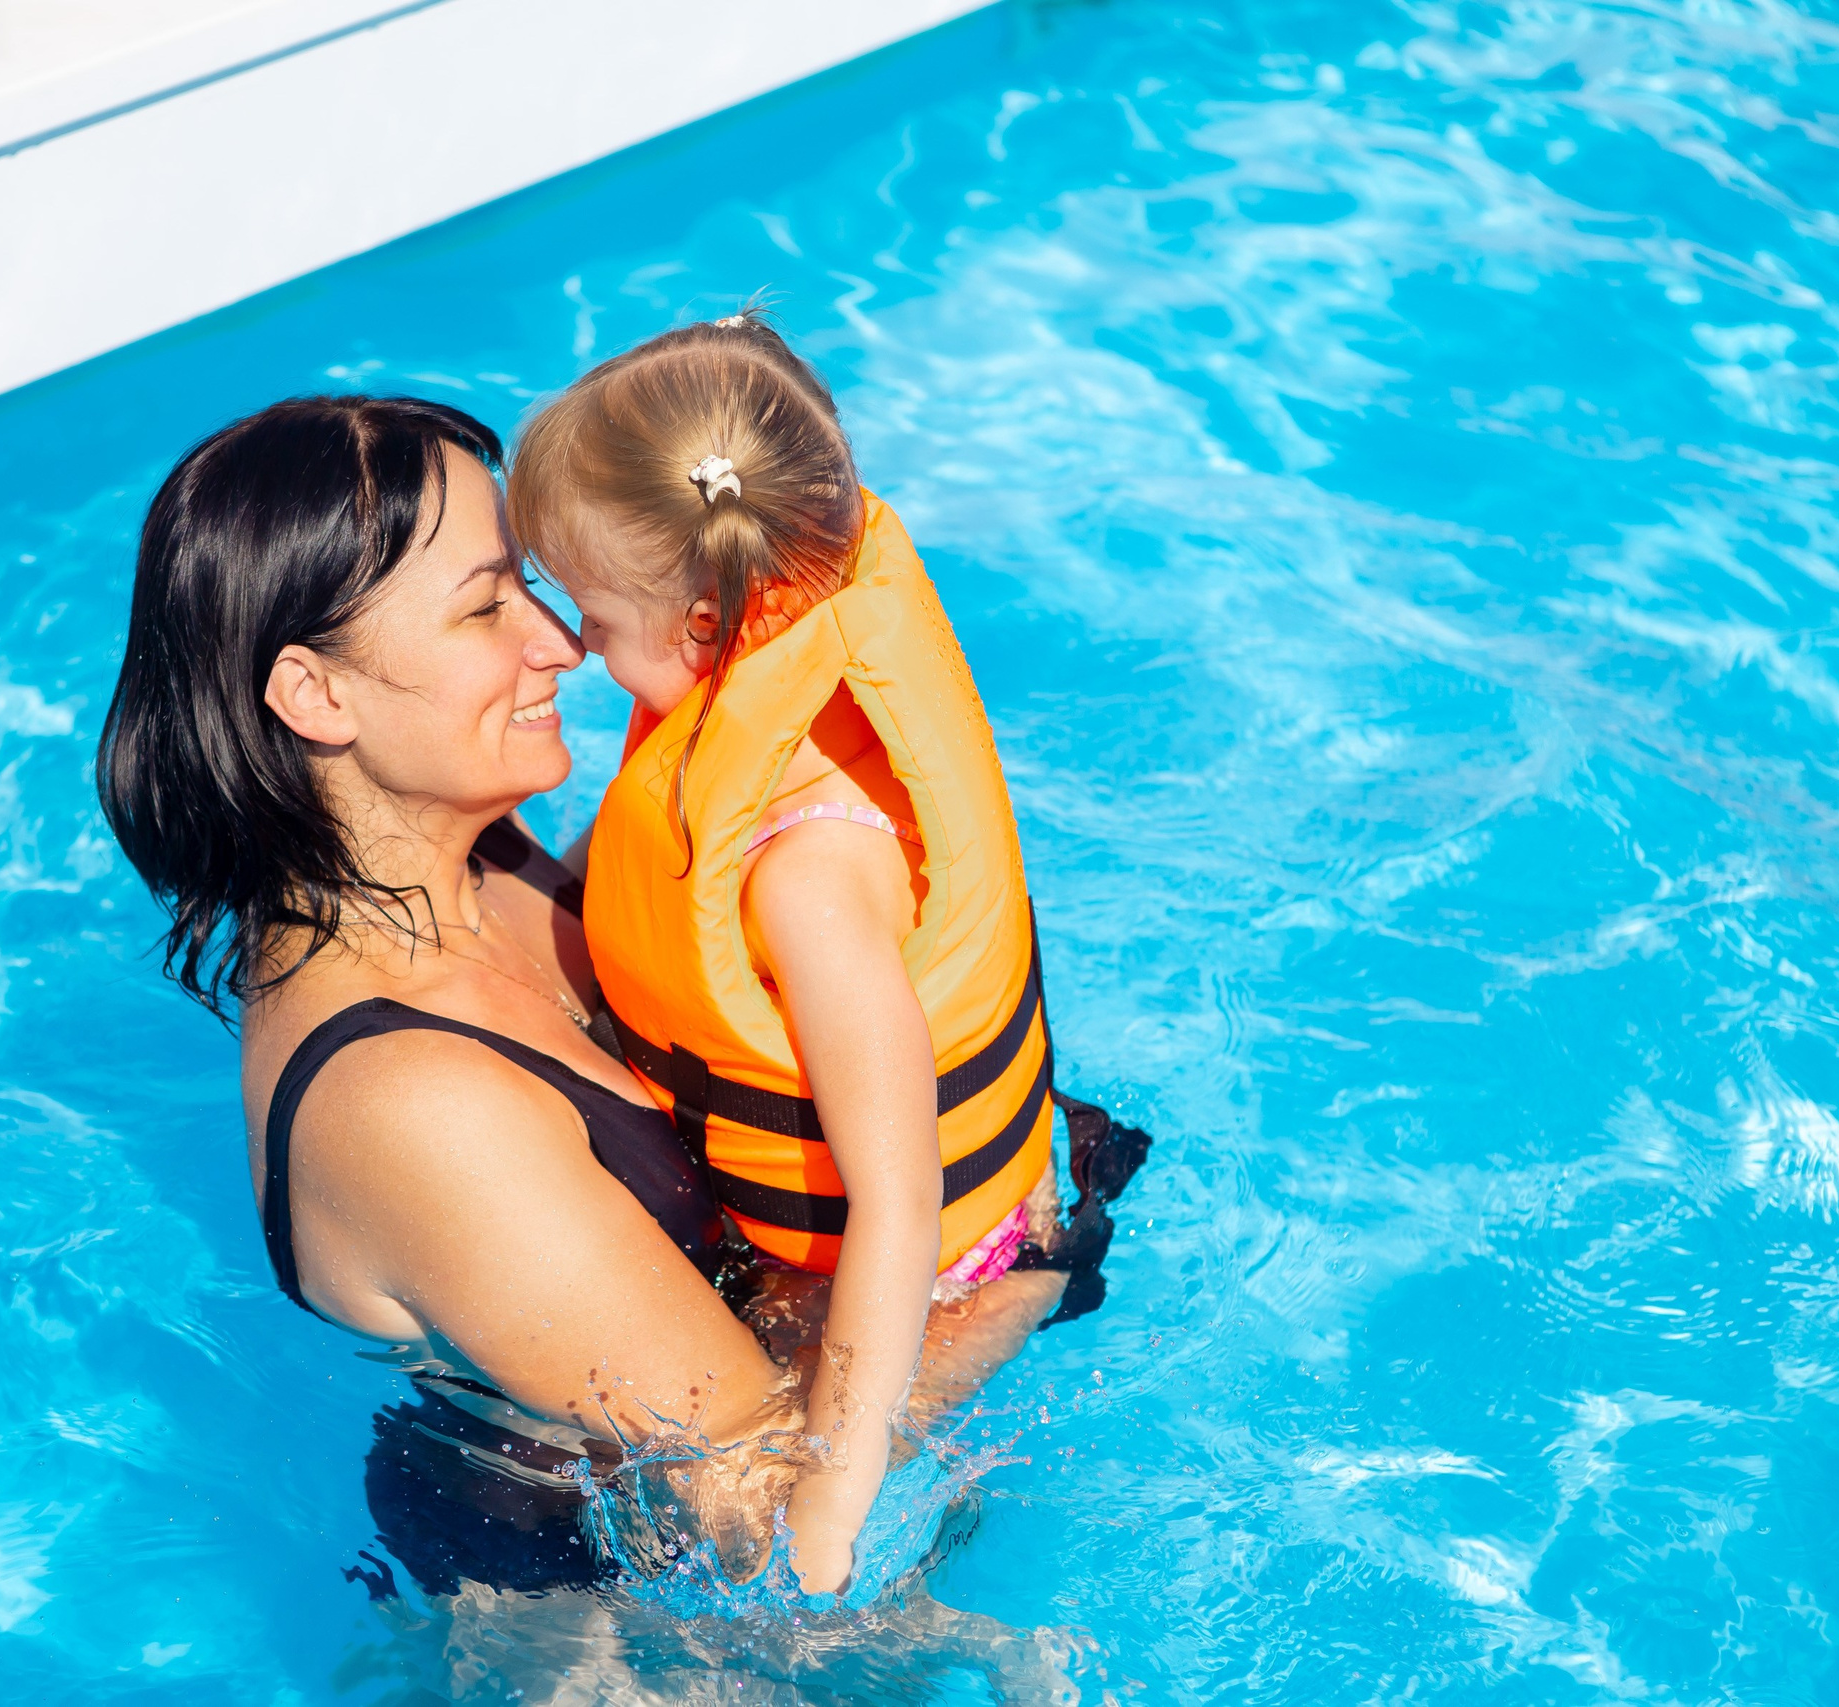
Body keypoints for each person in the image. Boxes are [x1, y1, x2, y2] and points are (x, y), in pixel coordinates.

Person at [93, 393, 1060, 1597]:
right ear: (315, 695)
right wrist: (1028, 1255)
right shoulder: (409, 1103)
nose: (559, 642)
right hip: (609, 1629)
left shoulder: (479, 862)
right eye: (486, 605)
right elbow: (766, 1495)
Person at [506, 313, 1149, 1594]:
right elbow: (637, 866)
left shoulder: (807, 876)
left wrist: (831, 1506)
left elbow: (900, 1203)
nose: (573, 648)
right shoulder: (757, 699)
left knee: (697, 1543)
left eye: (590, 613)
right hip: (850, 1203)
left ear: (704, 623)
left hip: (930, 1252)